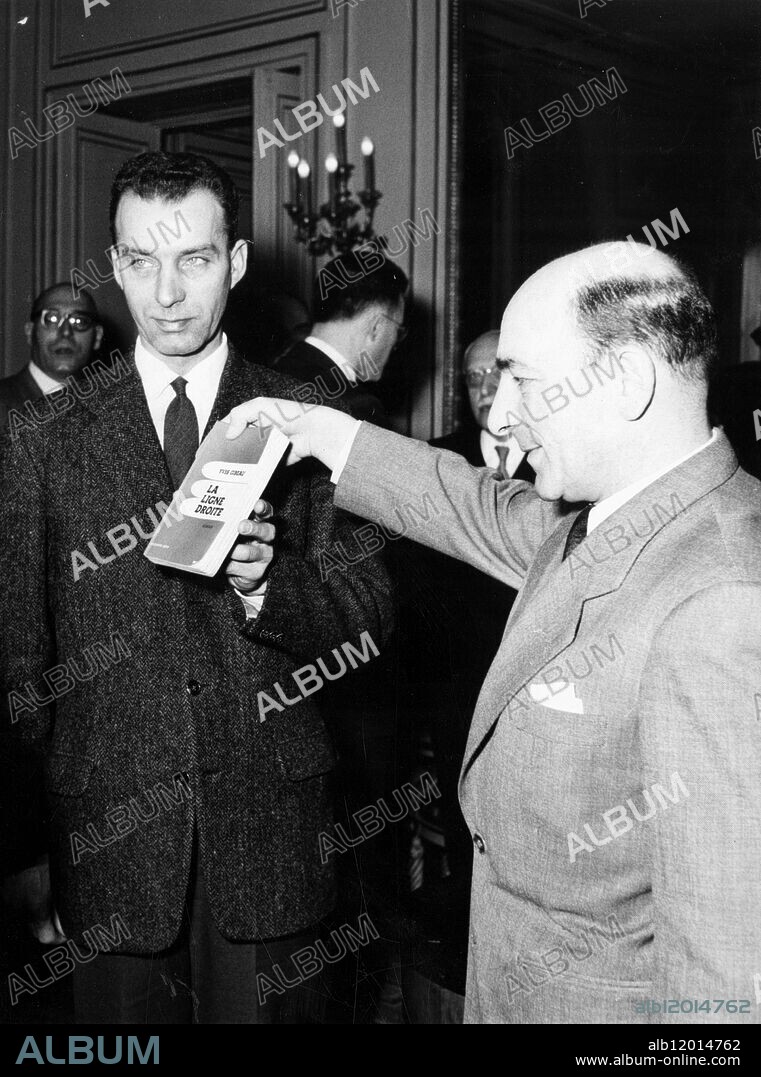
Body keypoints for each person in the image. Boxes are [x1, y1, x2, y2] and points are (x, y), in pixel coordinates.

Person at [225, 242, 761, 1024]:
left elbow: (724, 984)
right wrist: (318, 429)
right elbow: (476, 507)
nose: (498, 414)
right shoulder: (622, 513)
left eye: (525, 380)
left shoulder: (720, 603)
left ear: (628, 382)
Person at [0, 150, 393, 1024]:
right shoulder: (43, 437)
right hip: (109, 848)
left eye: (195, 260)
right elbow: (22, 662)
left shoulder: (312, 417)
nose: (166, 293)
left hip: (274, 840)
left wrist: (270, 586)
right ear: (114, 262)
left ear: (239, 262)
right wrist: (30, 843)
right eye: (140, 261)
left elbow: (370, 626)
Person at [274, 248, 409, 426]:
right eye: (397, 331)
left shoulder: (270, 372)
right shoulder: (357, 407)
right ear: (376, 327)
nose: (394, 344)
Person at [0, 283, 103, 433]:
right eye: (52, 319)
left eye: (79, 321)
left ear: (98, 336)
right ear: (30, 332)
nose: (66, 332)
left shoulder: (111, 410)